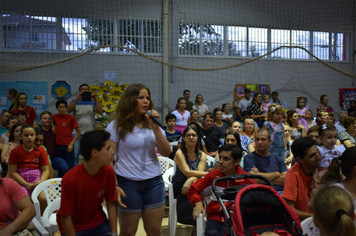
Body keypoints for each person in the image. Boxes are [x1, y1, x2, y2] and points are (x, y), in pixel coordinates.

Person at [105, 83, 171, 236]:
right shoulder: (116, 126)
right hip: (127, 183)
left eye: (147, 98)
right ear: (130, 100)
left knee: (154, 231)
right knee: (128, 231)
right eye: (141, 98)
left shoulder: (153, 124)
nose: (145, 101)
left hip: (154, 182)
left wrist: (155, 127)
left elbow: (166, 152)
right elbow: (108, 159)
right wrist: (113, 184)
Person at [57, 130, 118, 236]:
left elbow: (111, 203)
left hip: (98, 222)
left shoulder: (108, 171)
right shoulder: (71, 179)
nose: (112, 152)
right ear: (95, 153)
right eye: (108, 149)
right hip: (74, 226)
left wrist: (114, 233)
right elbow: (66, 218)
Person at [187, 144, 255, 236]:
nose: (221, 162)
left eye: (226, 159)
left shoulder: (245, 179)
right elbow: (194, 189)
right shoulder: (213, 176)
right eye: (220, 158)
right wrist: (198, 203)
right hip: (216, 217)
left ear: (237, 162)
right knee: (212, 233)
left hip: (238, 218)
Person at [282, 137, 320, 220]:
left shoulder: (319, 167)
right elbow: (289, 208)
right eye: (312, 156)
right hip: (303, 223)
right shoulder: (293, 175)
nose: (318, 157)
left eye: (317, 152)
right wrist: (315, 217)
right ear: (300, 159)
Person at [67, 83, 103, 166]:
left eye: (86, 89)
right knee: (75, 155)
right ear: (80, 91)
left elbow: (99, 111)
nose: (85, 90)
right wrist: (77, 99)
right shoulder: (74, 101)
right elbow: (68, 110)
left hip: (89, 132)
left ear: (89, 91)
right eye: (83, 89)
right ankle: (75, 174)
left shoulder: (92, 101)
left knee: (89, 155)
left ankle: (89, 172)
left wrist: (96, 99)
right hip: (76, 133)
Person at [8, 125, 50, 196]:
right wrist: (26, 184)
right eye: (26, 135)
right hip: (21, 182)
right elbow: (13, 172)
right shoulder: (14, 152)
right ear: (21, 137)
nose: (29, 137)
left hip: (38, 181)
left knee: (43, 198)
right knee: (24, 199)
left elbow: (46, 170)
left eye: (32, 135)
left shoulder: (41, 151)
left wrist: (40, 181)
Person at [39, 111, 69, 178]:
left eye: (49, 119)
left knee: (64, 167)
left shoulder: (56, 130)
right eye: (45, 118)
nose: (47, 120)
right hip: (40, 157)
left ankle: (57, 184)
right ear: (40, 120)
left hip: (55, 157)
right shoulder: (37, 131)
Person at [53, 100, 81, 169]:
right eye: (60, 107)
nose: (62, 108)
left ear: (66, 108)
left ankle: (71, 179)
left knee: (70, 166)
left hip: (68, 145)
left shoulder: (71, 118)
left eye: (63, 107)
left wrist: (71, 144)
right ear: (57, 108)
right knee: (61, 165)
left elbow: (78, 132)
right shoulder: (55, 117)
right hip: (58, 145)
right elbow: (54, 125)